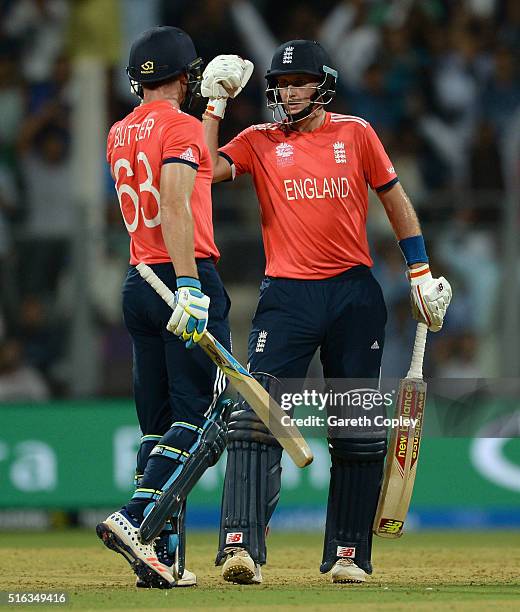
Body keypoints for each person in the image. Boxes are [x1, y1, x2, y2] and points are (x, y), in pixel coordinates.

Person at [201, 40, 452, 584]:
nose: (288, 92)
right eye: (281, 84)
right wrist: (213, 107)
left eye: (299, 82)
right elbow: (197, 171)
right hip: (286, 296)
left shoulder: (356, 133)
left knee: (356, 428)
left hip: (353, 295)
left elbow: (394, 198)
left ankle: (348, 554)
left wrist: (420, 270)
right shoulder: (257, 141)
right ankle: (240, 547)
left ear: (323, 84)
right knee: (254, 418)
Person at [96, 26, 235, 589]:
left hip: (138, 281)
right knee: (200, 417)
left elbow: (191, 164)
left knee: (159, 425)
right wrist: (190, 286)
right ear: (185, 77)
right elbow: (177, 203)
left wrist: (216, 108)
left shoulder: (117, 132)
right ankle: (136, 519)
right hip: (183, 274)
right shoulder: (178, 126)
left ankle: (162, 558)